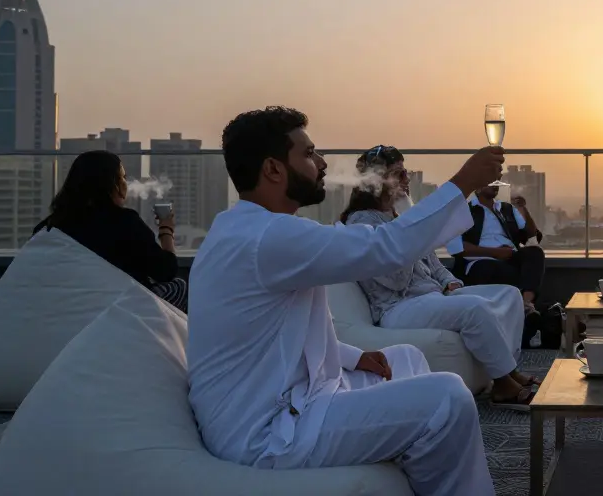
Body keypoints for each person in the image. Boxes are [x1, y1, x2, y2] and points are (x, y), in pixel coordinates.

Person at [186, 107, 503, 496]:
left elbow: (277, 334)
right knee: (448, 399)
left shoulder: (253, 230)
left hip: (292, 398)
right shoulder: (266, 238)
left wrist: (353, 356)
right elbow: (387, 248)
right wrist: (464, 181)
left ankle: (418, 464)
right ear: (273, 169)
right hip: (268, 432)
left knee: (405, 357)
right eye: (308, 153)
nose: (320, 163)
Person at [342, 145, 537, 409]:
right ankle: (503, 383)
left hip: (432, 295)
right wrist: (408, 231)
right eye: (398, 174)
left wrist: (449, 281)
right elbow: (395, 281)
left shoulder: (398, 216)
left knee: (509, 295)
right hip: (398, 307)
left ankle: (509, 369)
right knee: (475, 309)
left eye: (405, 172)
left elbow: (433, 262)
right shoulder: (362, 222)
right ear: (377, 180)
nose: (406, 180)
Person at [32, 150, 187, 311]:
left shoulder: (48, 227)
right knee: (179, 287)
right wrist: (166, 229)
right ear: (112, 184)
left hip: (69, 307)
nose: (126, 184)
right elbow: (165, 271)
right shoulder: (125, 222)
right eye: (123, 178)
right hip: (120, 308)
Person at [445, 184, 545, 315]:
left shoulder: (507, 209)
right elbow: (457, 248)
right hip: (481, 260)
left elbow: (531, 236)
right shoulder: (465, 211)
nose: (495, 184)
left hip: (510, 255)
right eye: (489, 181)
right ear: (478, 187)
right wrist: (496, 253)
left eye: (496, 181)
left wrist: (522, 209)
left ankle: (526, 303)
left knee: (535, 252)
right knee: (488, 267)